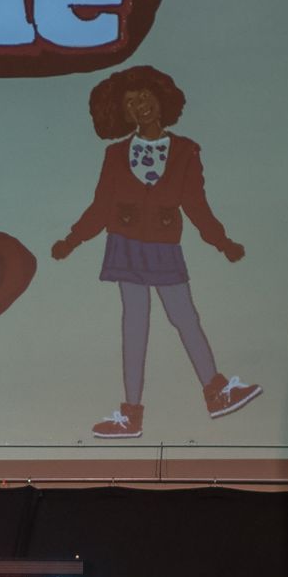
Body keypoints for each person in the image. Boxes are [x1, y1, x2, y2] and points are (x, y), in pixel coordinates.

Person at [48, 63, 257, 437]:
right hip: (126, 246)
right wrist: (72, 240)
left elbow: (196, 205)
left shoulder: (186, 151)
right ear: (122, 114)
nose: (140, 106)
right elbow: (101, 206)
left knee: (185, 317)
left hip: (163, 248)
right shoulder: (115, 154)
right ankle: (131, 414)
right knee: (135, 325)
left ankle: (216, 392)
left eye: (145, 96)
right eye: (130, 103)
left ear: (161, 99)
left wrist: (223, 243)